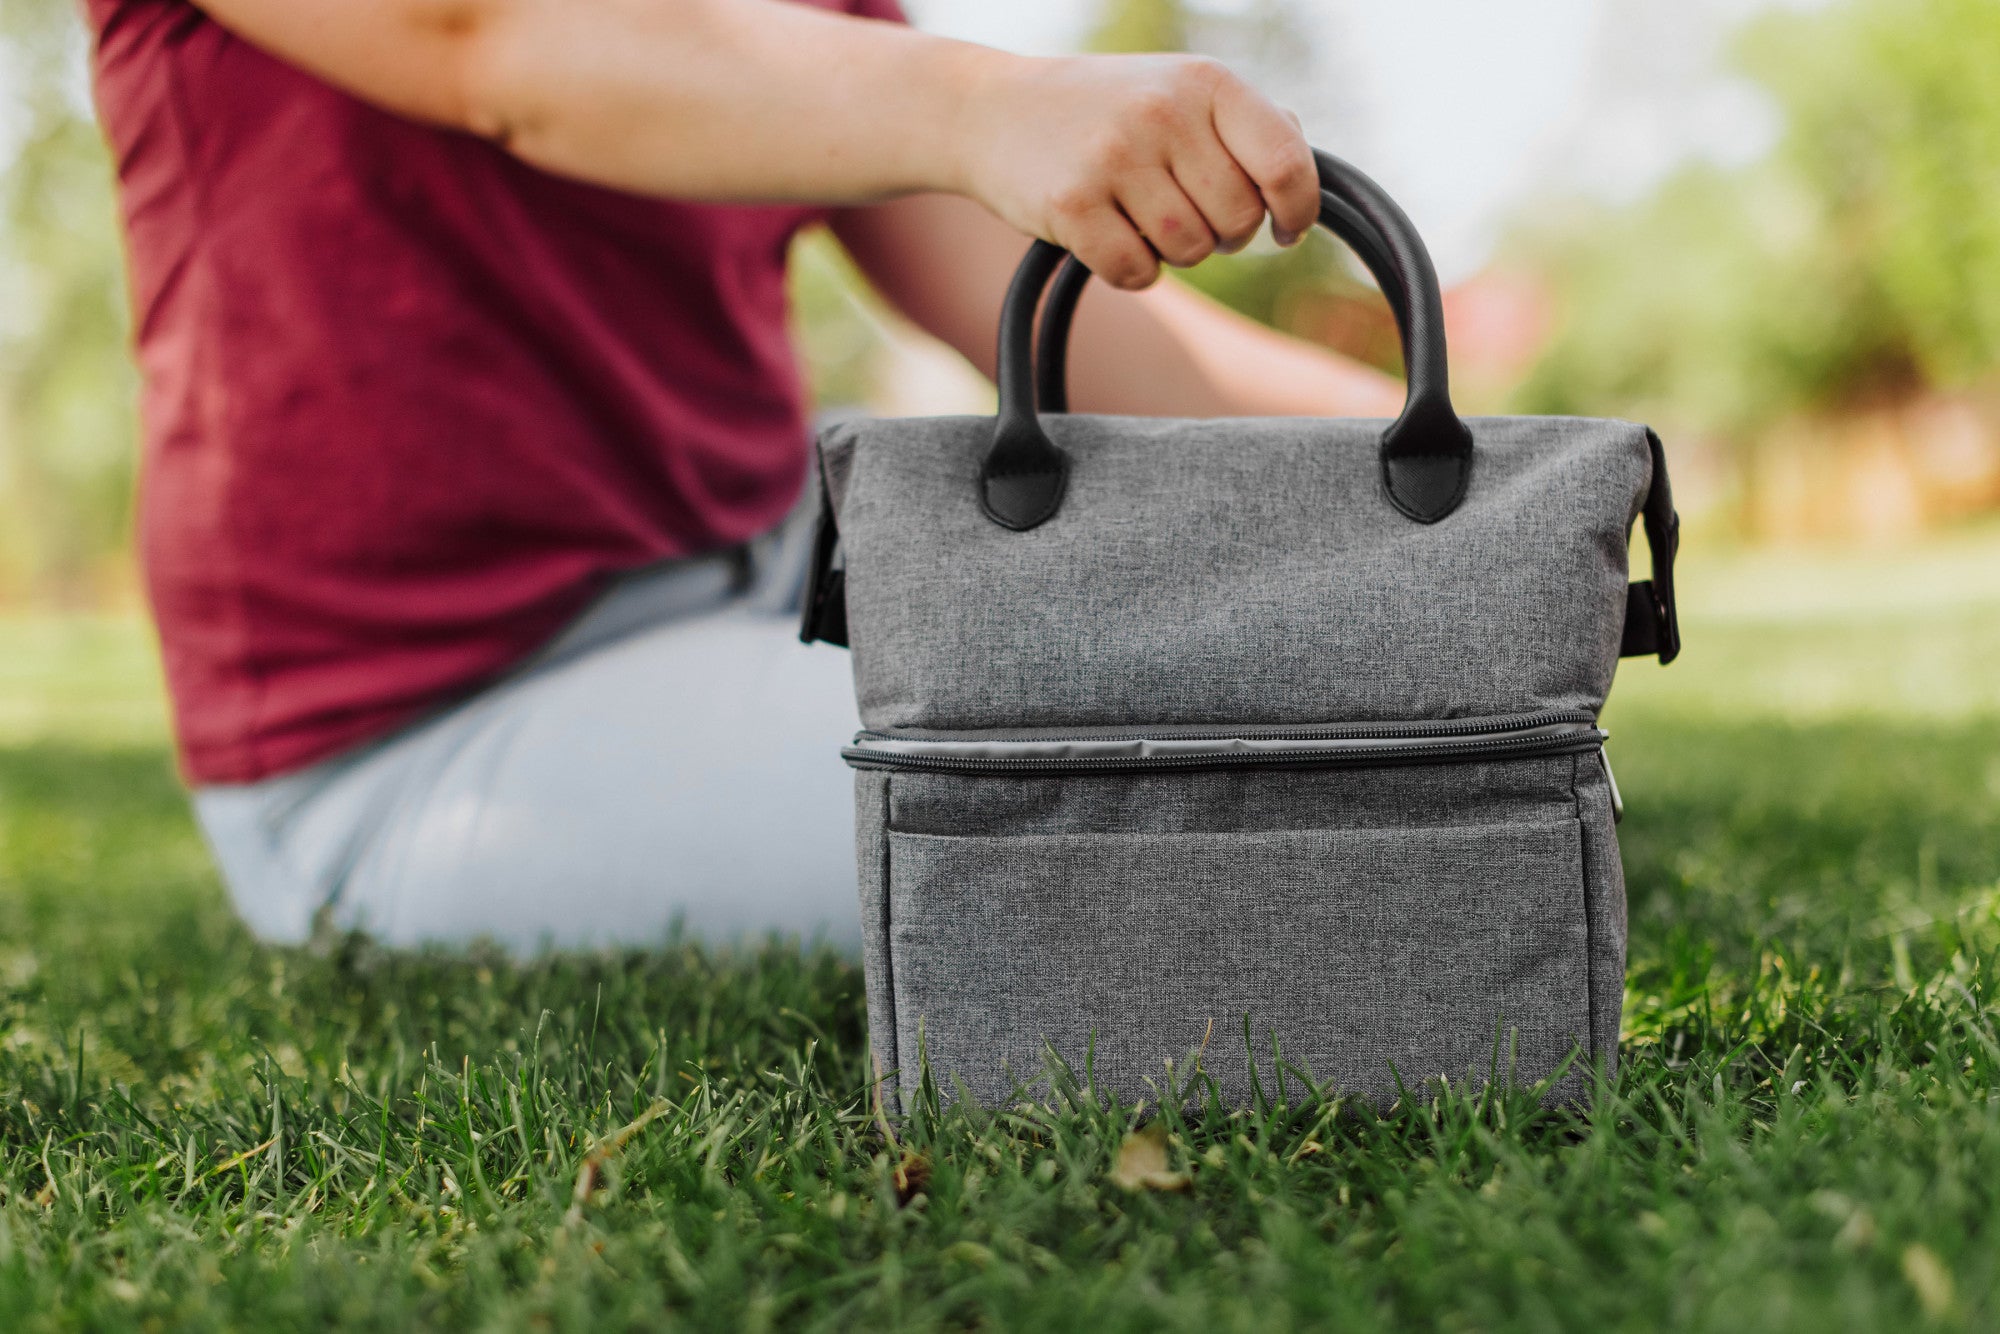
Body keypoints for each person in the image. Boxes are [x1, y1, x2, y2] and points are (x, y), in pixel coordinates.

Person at [84, 0, 1402, 951]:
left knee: (1314, 682)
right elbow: (484, 36)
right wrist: (984, 102)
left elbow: (1006, 271)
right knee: (1204, 802)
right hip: (425, 723)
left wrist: (1475, 456)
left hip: (781, 561)